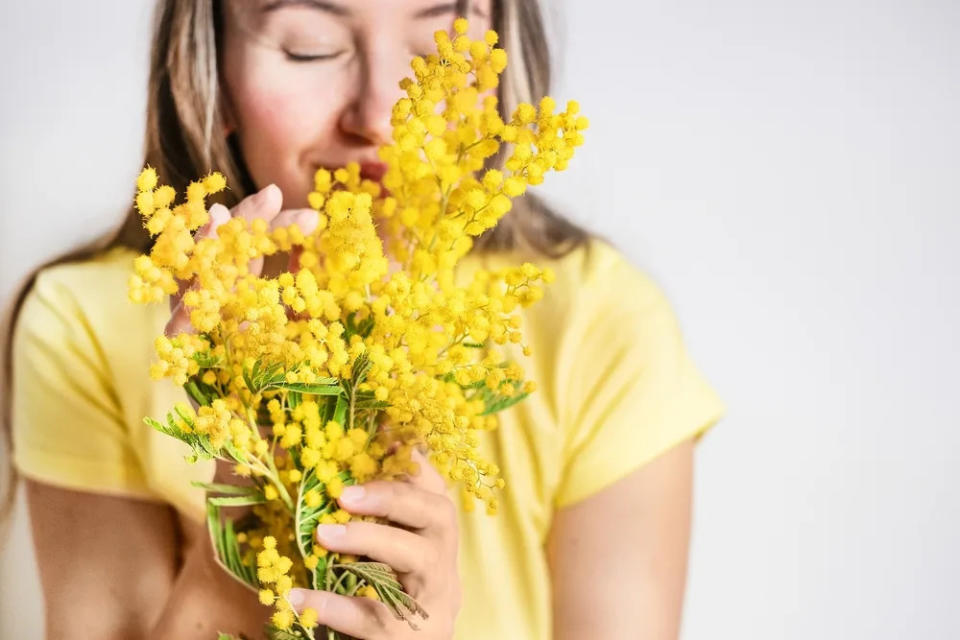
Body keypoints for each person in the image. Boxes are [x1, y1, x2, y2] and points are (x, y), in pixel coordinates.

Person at [3, 0, 725, 638]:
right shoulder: (85, 326)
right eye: (310, 45)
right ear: (209, 71)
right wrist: (243, 544)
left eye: (439, 37)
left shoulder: (596, 322)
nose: (382, 113)